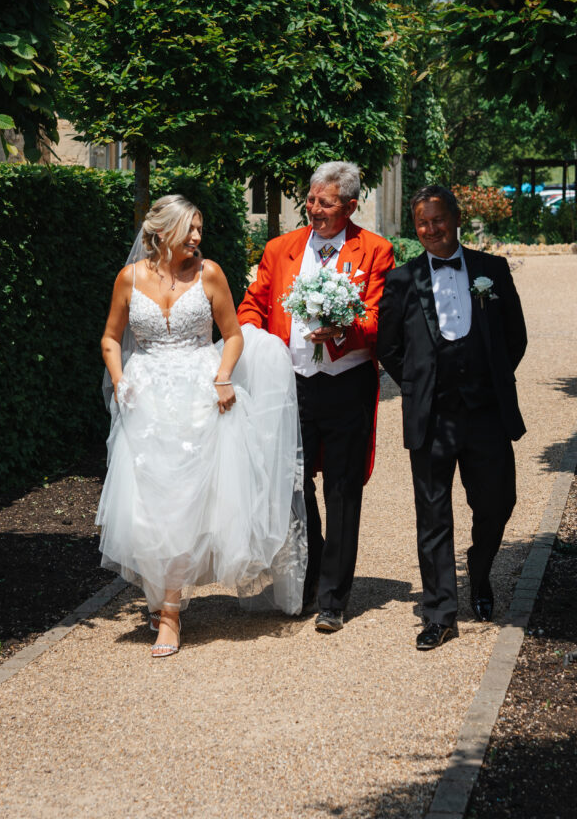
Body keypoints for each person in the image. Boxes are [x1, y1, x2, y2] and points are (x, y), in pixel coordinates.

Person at [98, 194, 306, 659]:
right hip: (147, 400)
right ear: (163, 231)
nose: (197, 237)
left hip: (200, 395)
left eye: (200, 229)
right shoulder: (129, 279)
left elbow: (231, 335)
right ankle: (161, 597)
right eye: (190, 229)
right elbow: (111, 339)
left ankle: (169, 614)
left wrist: (223, 376)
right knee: (151, 504)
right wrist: (119, 379)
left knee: (188, 502)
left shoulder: (209, 273)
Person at [237, 162, 395, 633]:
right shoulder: (280, 249)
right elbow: (254, 304)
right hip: (292, 383)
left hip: (347, 382)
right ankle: (308, 574)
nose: (315, 209)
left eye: (326, 203)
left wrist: (347, 328)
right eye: (311, 200)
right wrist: (252, 338)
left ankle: (334, 598)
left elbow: (381, 318)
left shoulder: (375, 251)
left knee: (343, 489)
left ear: (350, 206)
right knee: (294, 484)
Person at [377, 185, 527, 651]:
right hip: (432, 417)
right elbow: (388, 349)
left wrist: (490, 379)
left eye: (438, 220)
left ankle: (479, 573)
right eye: (422, 223)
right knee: (433, 515)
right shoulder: (402, 280)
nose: (430, 229)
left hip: (486, 413)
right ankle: (440, 612)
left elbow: (515, 337)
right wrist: (421, 385)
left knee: (498, 503)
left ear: (456, 218)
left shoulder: (491, 270)